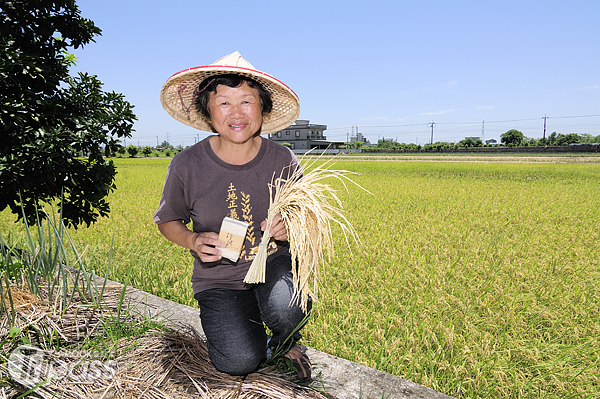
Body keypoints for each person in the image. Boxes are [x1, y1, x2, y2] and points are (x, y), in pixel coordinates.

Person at [154, 52, 312, 381]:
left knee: (287, 308)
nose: (236, 113)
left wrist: (290, 228)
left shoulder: (282, 159)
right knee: (237, 362)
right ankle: (250, 325)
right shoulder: (187, 165)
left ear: (263, 108)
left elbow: (306, 218)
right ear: (208, 112)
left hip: (273, 262)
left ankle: (286, 340)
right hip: (219, 279)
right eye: (223, 102)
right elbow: (167, 221)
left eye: (246, 101)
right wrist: (193, 240)